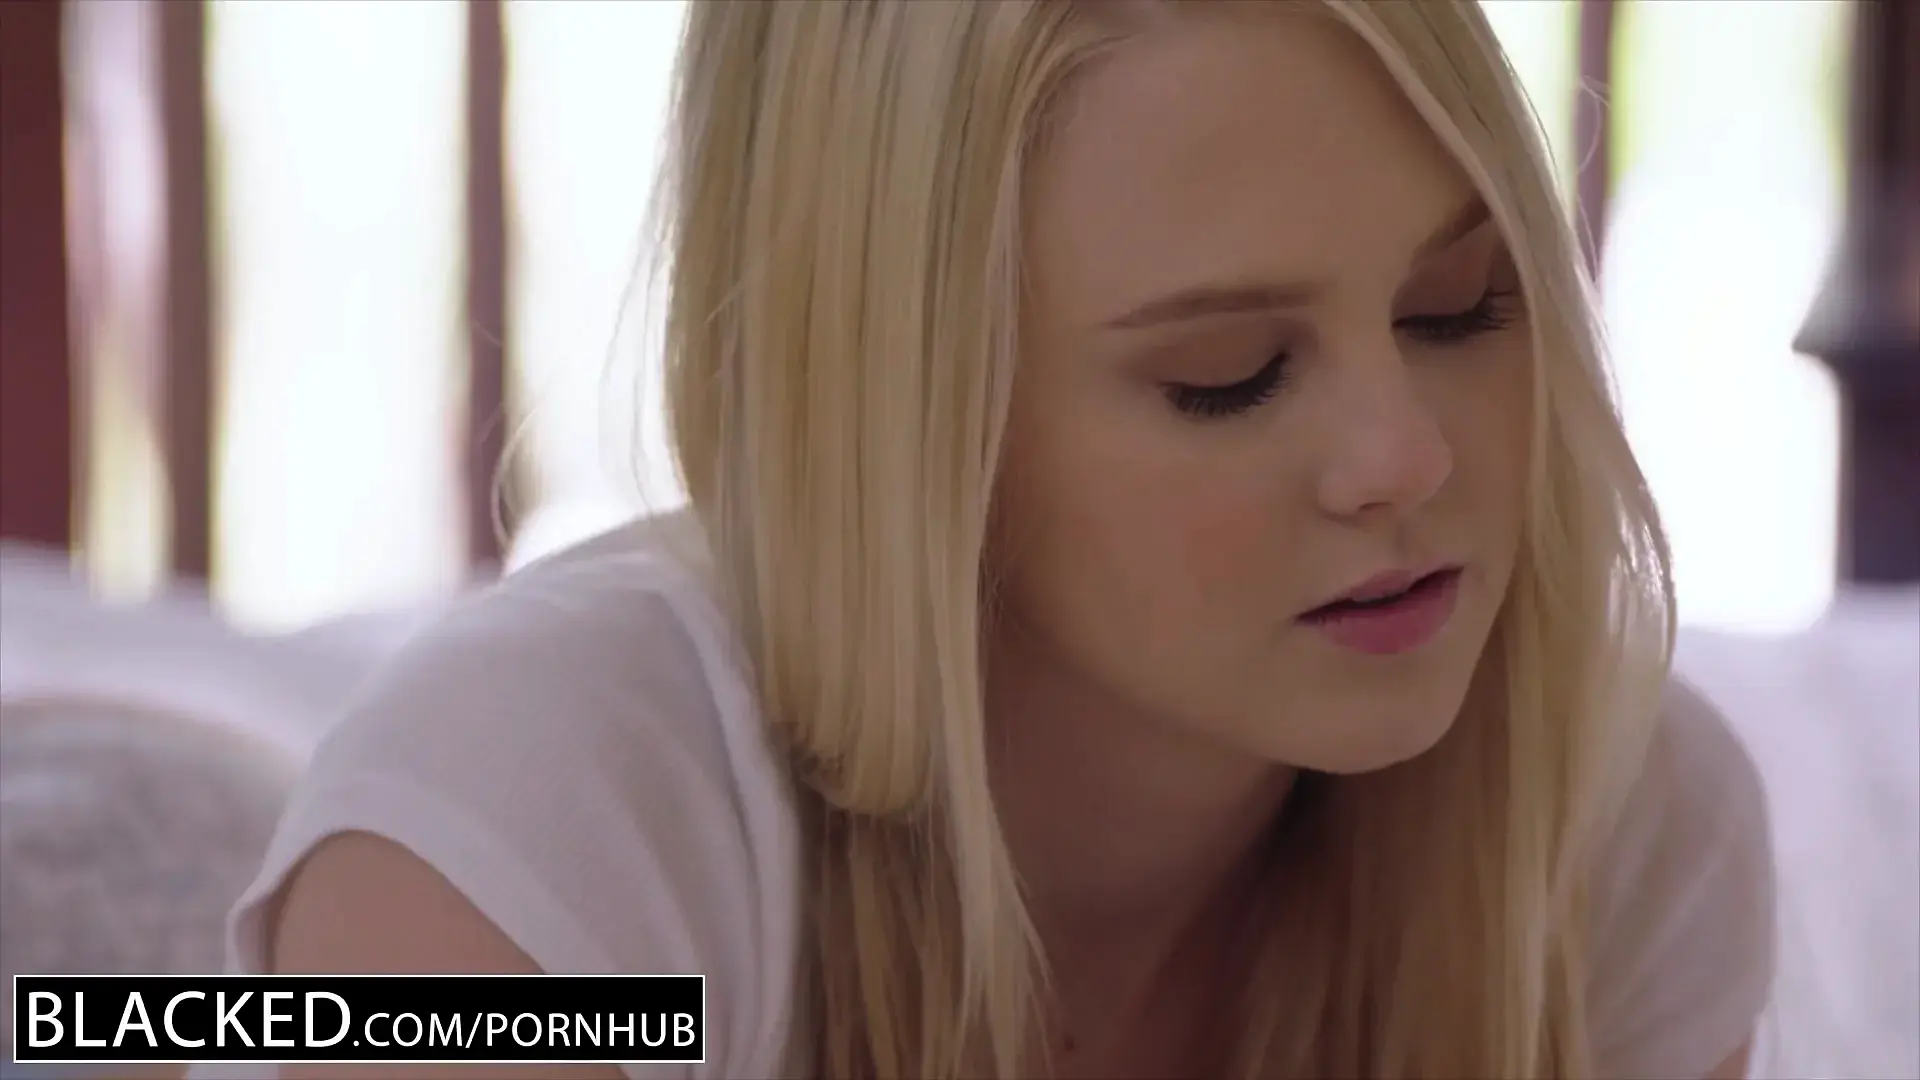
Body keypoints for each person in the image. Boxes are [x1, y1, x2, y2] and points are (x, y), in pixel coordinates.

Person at [215, 1, 1777, 1077]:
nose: (1407, 457)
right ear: (904, 426)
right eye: (1228, 375)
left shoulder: (1608, 821)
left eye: (1461, 309)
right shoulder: (529, 816)